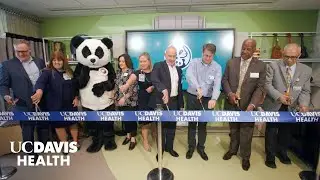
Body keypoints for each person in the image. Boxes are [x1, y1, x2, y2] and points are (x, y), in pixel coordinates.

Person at [263, 43, 312, 169]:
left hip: (292, 106)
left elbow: (305, 91)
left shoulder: (306, 70)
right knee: (271, 131)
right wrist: (280, 96)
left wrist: (304, 105)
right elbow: (267, 85)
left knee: (286, 132)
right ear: (283, 54)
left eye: (293, 57)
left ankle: (282, 152)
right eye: (287, 56)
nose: (289, 60)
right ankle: (270, 156)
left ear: (299, 55)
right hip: (274, 104)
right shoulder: (273, 66)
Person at [221, 39, 266, 171]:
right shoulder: (231, 62)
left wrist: (252, 104)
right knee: (233, 129)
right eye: (243, 48)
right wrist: (230, 94)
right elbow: (225, 80)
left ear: (254, 50)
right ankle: (233, 150)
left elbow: (260, 88)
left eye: (248, 49)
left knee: (246, 132)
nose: (245, 51)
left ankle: (245, 157)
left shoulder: (261, 66)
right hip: (232, 103)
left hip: (248, 105)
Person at [0, 40, 49, 156]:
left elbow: (46, 79)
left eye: (24, 51)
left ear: (30, 50)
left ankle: (44, 146)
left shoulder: (40, 62)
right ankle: (31, 153)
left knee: (43, 125)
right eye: (18, 51)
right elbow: (3, 84)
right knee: (27, 129)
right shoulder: (7, 65)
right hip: (22, 102)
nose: (21, 54)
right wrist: (6, 95)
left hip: (42, 100)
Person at [31, 51, 81, 153]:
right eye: (54, 60)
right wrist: (39, 91)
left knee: (73, 123)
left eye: (59, 60)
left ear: (64, 61)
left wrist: (76, 97)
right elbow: (40, 83)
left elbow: (75, 86)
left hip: (70, 104)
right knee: (59, 125)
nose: (56, 62)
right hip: (55, 105)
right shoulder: (47, 72)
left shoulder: (69, 72)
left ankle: (75, 143)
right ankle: (65, 145)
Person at [185, 43, 222, 161]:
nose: (207, 58)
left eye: (210, 56)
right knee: (191, 123)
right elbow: (189, 76)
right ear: (202, 53)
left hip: (207, 99)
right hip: (192, 96)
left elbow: (217, 85)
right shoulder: (194, 62)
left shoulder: (217, 67)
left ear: (213, 55)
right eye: (205, 55)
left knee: (202, 125)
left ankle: (201, 148)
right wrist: (198, 88)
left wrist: (214, 98)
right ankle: (191, 147)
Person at [149, 46, 184, 159]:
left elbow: (179, 87)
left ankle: (170, 148)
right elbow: (154, 78)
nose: (172, 58)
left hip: (174, 101)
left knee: (172, 127)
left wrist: (181, 104)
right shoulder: (159, 65)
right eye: (170, 55)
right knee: (161, 128)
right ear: (165, 55)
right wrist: (163, 89)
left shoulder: (178, 69)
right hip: (161, 102)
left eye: (174, 56)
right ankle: (161, 150)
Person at [120, 52, 157, 152]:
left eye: (144, 61)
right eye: (141, 61)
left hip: (154, 98)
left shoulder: (155, 71)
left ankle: (155, 137)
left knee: (154, 121)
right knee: (145, 122)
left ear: (149, 61)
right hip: (143, 100)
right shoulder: (137, 72)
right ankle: (145, 141)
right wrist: (126, 85)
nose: (142, 63)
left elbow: (159, 83)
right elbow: (131, 79)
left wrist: (153, 87)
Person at [115, 54, 138, 151]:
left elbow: (134, 89)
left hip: (130, 101)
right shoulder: (118, 72)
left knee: (131, 121)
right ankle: (128, 136)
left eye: (123, 61)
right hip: (120, 101)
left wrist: (124, 98)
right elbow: (116, 86)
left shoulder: (132, 73)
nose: (121, 63)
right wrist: (115, 97)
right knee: (125, 120)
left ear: (127, 62)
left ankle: (133, 139)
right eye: (119, 61)